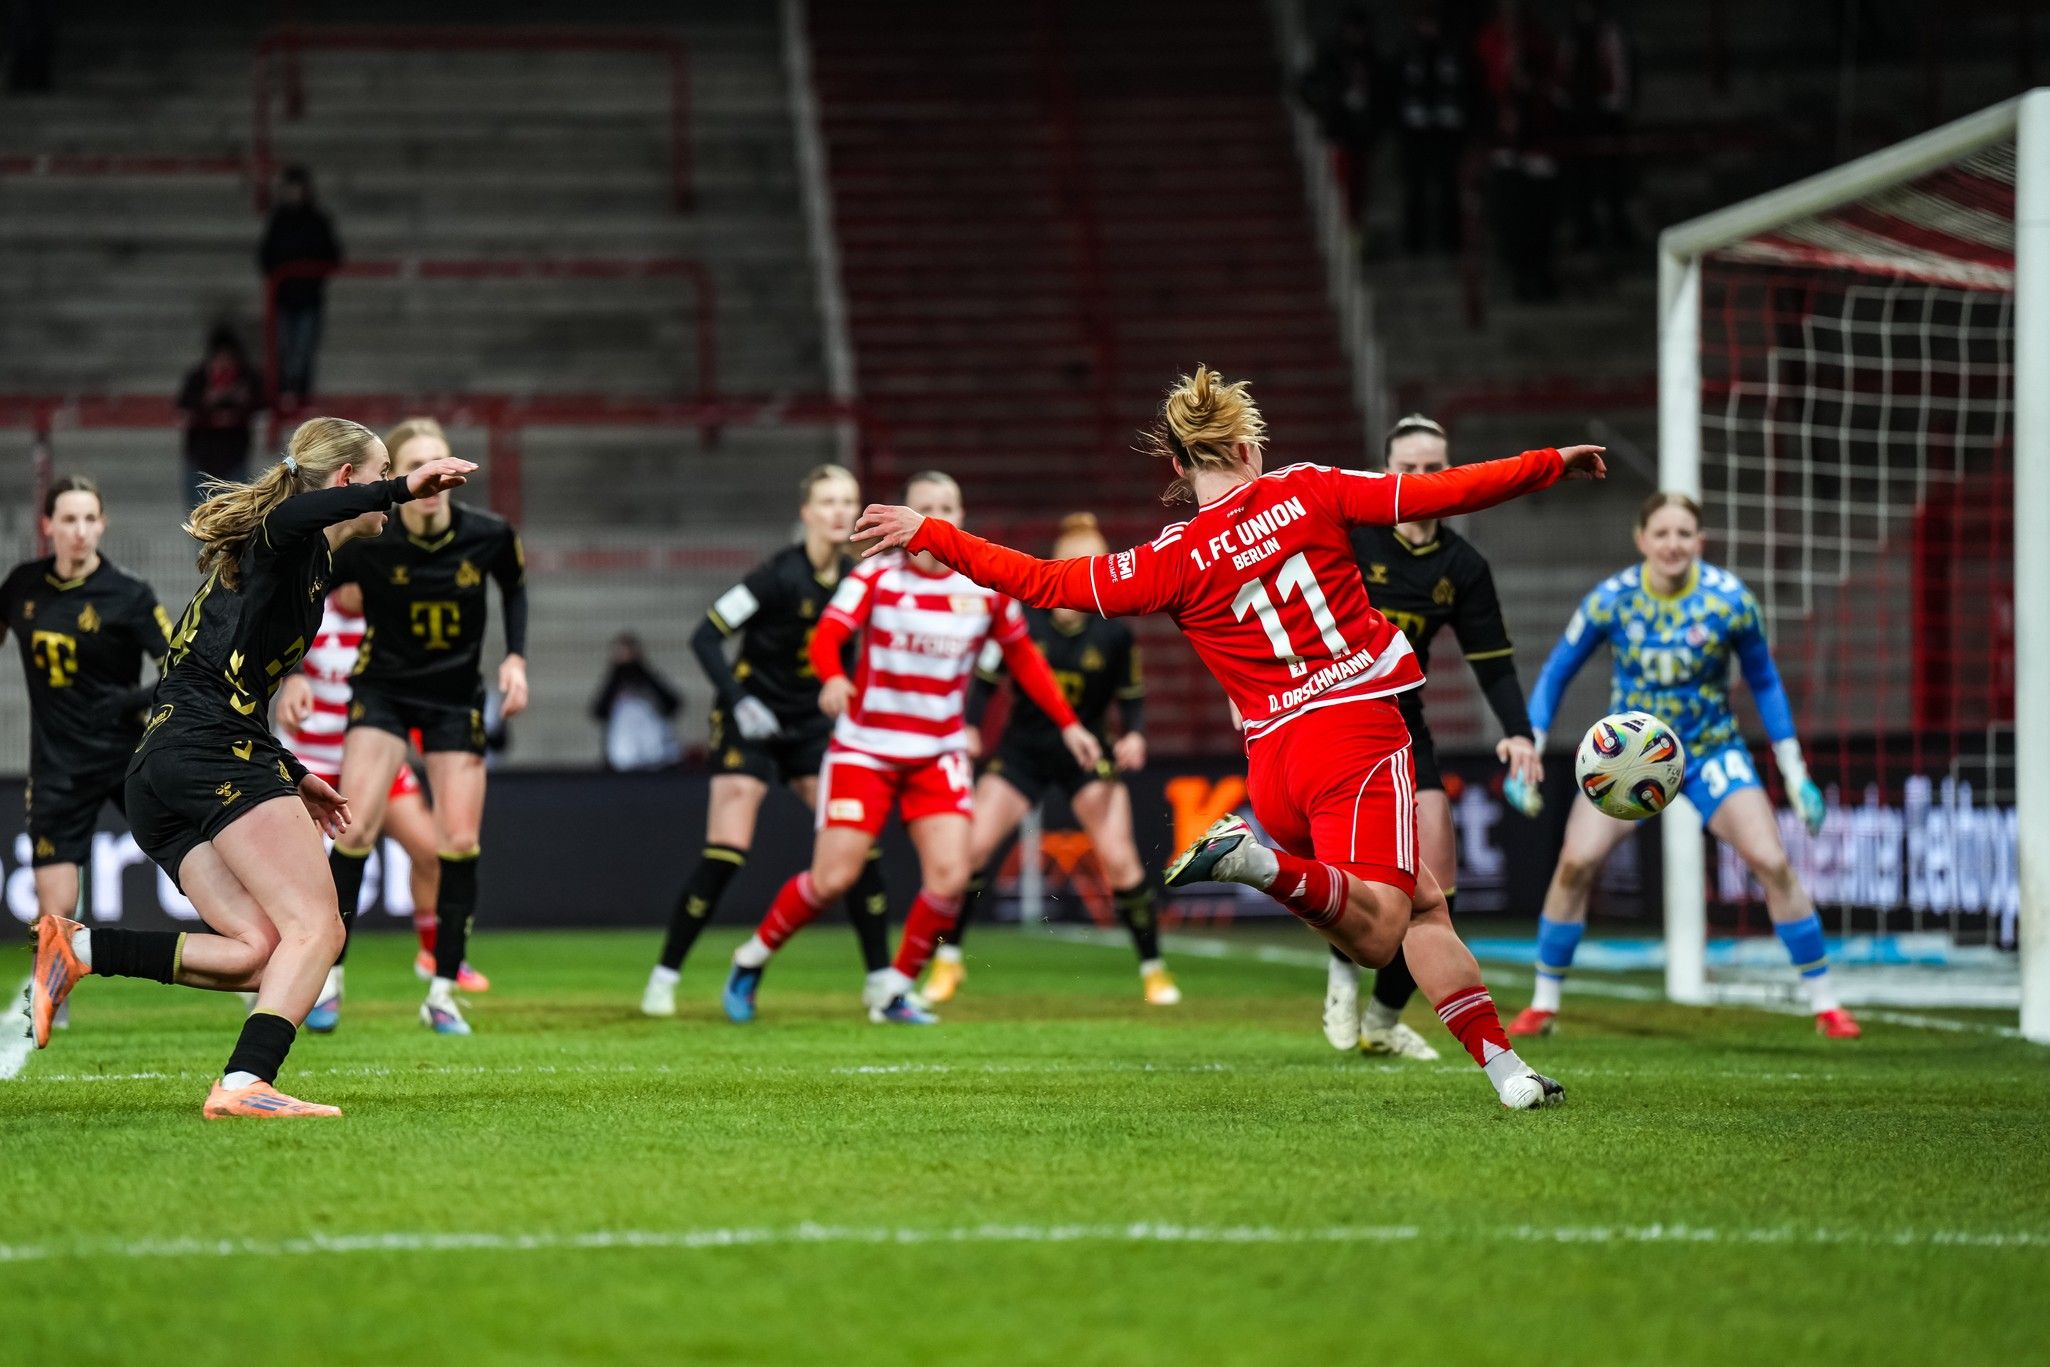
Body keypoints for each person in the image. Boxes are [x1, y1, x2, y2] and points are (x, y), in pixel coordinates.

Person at [854, 367, 1607, 1108]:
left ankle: (1509, 1072)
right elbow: (1445, 492)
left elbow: (1046, 582)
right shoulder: (1309, 486)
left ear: (1178, 466)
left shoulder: (1170, 560)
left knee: (1423, 906)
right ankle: (1256, 863)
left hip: (1274, 761)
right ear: (1250, 446)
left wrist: (934, 535)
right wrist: (1550, 465)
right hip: (1355, 733)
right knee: (1381, 935)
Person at [28, 418, 474, 1118]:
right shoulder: (284, 534)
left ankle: (81, 948)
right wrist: (400, 486)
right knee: (320, 928)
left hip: (166, 765)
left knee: (260, 950)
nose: (393, 496)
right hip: (209, 755)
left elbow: (211, 677)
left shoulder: (300, 562)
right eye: (381, 472)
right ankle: (243, 1082)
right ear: (351, 482)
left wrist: (293, 771)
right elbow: (298, 511)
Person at [722, 471, 1097, 1026]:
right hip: (865, 749)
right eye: (926, 506)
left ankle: (893, 991)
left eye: (948, 505)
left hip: (937, 752)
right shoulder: (875, 576)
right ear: (905, 518)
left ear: (962, 516)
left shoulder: (984, 590)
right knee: (833, 879)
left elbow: (1024, 661)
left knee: (950, 876)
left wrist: (1069, 723)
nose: (939, 514)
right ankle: (750, 958)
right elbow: (827, 636)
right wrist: (830, 676)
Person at [1511, 492, 1860, 1039]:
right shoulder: (1611, 600)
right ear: (1641, 539)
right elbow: (1556, 672)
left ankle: (1826, 1004)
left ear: (1699, 541)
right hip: (1630, 760)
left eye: (1684, 534)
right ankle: (1544, 1004)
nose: (1673, 544)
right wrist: (1527, 748)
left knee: (1771, 862)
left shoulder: (1729, 601)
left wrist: (1795, 773)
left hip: (1710, 751)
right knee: (1574, 864)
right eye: (1662, 533)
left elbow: (1765, 682)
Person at [1322, 415, 1542, 1059]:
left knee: (1437, 889)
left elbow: (1493, 659)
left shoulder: (1463, 565)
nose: (1421, 479)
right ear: (1385, 472)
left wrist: (1520, 734)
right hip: (1327, 716)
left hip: (1399, 720)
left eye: (1433, 468)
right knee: (1357, 874)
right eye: (1407, 468)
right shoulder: (1351, 535)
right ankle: (1341, 972)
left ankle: (1383, 1022)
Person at [642, 464, 894, 1016]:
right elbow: (705, 635)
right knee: (727, 849)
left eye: (847, 501)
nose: (838, 511)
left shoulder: (861, 582)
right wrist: (739, 700)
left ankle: (881, 980)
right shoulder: (776, 576)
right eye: (827, 501)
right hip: (750, 720)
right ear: (805, 512)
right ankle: (664, 977)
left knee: (855, 848)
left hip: (812, 727)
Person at [324, 416, 528, 1037]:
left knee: (458, 842)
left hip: (453, 699)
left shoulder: (490, 536)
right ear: (401, 479)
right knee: (354, 831)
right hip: (382, 691)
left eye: (443, 462)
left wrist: (515, 657)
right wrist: (299, 672)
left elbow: (515, 588)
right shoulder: (367, 540)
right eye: (420, 465)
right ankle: (326, 978)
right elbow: (307, 594)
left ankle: (441, 991)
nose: (436, 476)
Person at [923, 511, 1177, 1007]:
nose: (1084, 571)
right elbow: (987, 681)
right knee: (968, 853)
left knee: (1122, 861)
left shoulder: (1115, 634)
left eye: (1093, 563)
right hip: (1024, 752)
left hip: (1086, 757)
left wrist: (1137, 736)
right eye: (1074, 562)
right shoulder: (1024, 618)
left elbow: (1132, 698)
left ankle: (1154, 970)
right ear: (1056, 565)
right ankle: (947, 962)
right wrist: (972, 725)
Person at [274, 587, 490, 1036]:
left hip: (372, 759)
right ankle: (311, 980)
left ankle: (432, 954)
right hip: (311, 764)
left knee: (430, 851)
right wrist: (289, 681)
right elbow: (270, 656)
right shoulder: (311, 612)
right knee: (308, 878)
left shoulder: (387, 619)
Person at [1, 478, 173, 932]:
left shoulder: (129, 595)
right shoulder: (22, 586)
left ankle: (255, 971)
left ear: (102, 526)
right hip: (58, 768)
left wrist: (129, 701)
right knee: (54, 917)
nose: (80, 530)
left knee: (195, 869)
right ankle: (49, 1006)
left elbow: (182, 668)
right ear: (48, 525)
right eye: (69, 519)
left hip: (129, 757)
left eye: (90, 519)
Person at [1388, 4, 1477, 255]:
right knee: (1415, 188)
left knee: (1448, 188)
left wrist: (1461, 120)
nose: (1429, 30)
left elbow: (1469, 90)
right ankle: (1414, 242)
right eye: (1424, 24)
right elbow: (1394, 91)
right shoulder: (1406, 53)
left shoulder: (1454, 53)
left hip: (1447, 136)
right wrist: (1403, 122)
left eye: (1433, 24)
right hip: (1415, 136)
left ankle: (1450, 239)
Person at [258, 164, 343, 405]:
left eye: (297, 188)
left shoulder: (317, 221)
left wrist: (311, 273)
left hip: (308, 298)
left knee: (304, 349)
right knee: (284, 349)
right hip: (283, 297)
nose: (293, 193)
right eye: (289, 188)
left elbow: (333, 255)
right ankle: (284, 392)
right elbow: (265, 256)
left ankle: (302, 394)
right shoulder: (278, 221)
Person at [1296, 5, 1383, 231]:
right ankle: (1338, 229)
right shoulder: (1331, 56)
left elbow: (1383, 94)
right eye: (1353, 30)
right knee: (1339, 187)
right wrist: (1325, 106)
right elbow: (1305, 85)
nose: (1357, 35)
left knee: (1359, 189)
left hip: (1364, 135)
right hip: (1338, 133)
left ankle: (1355, 231)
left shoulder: (1371, 58)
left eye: (1361, 30)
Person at [175, 325, 264, 509]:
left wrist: (239, 400)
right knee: (197, 513)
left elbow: (261, 407)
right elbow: (183, 410)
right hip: (200, 456)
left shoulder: (246, 378)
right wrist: (209, 400)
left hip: (234, 457)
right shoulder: (198, 378)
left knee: (235, 514)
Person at [592, 632, 683, 772]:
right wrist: (618, 673)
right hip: (623, 756)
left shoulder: (649, 680)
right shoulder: (614, 684)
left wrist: (640, 670)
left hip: (655, 754)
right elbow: (599, 711)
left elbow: (672, 705)